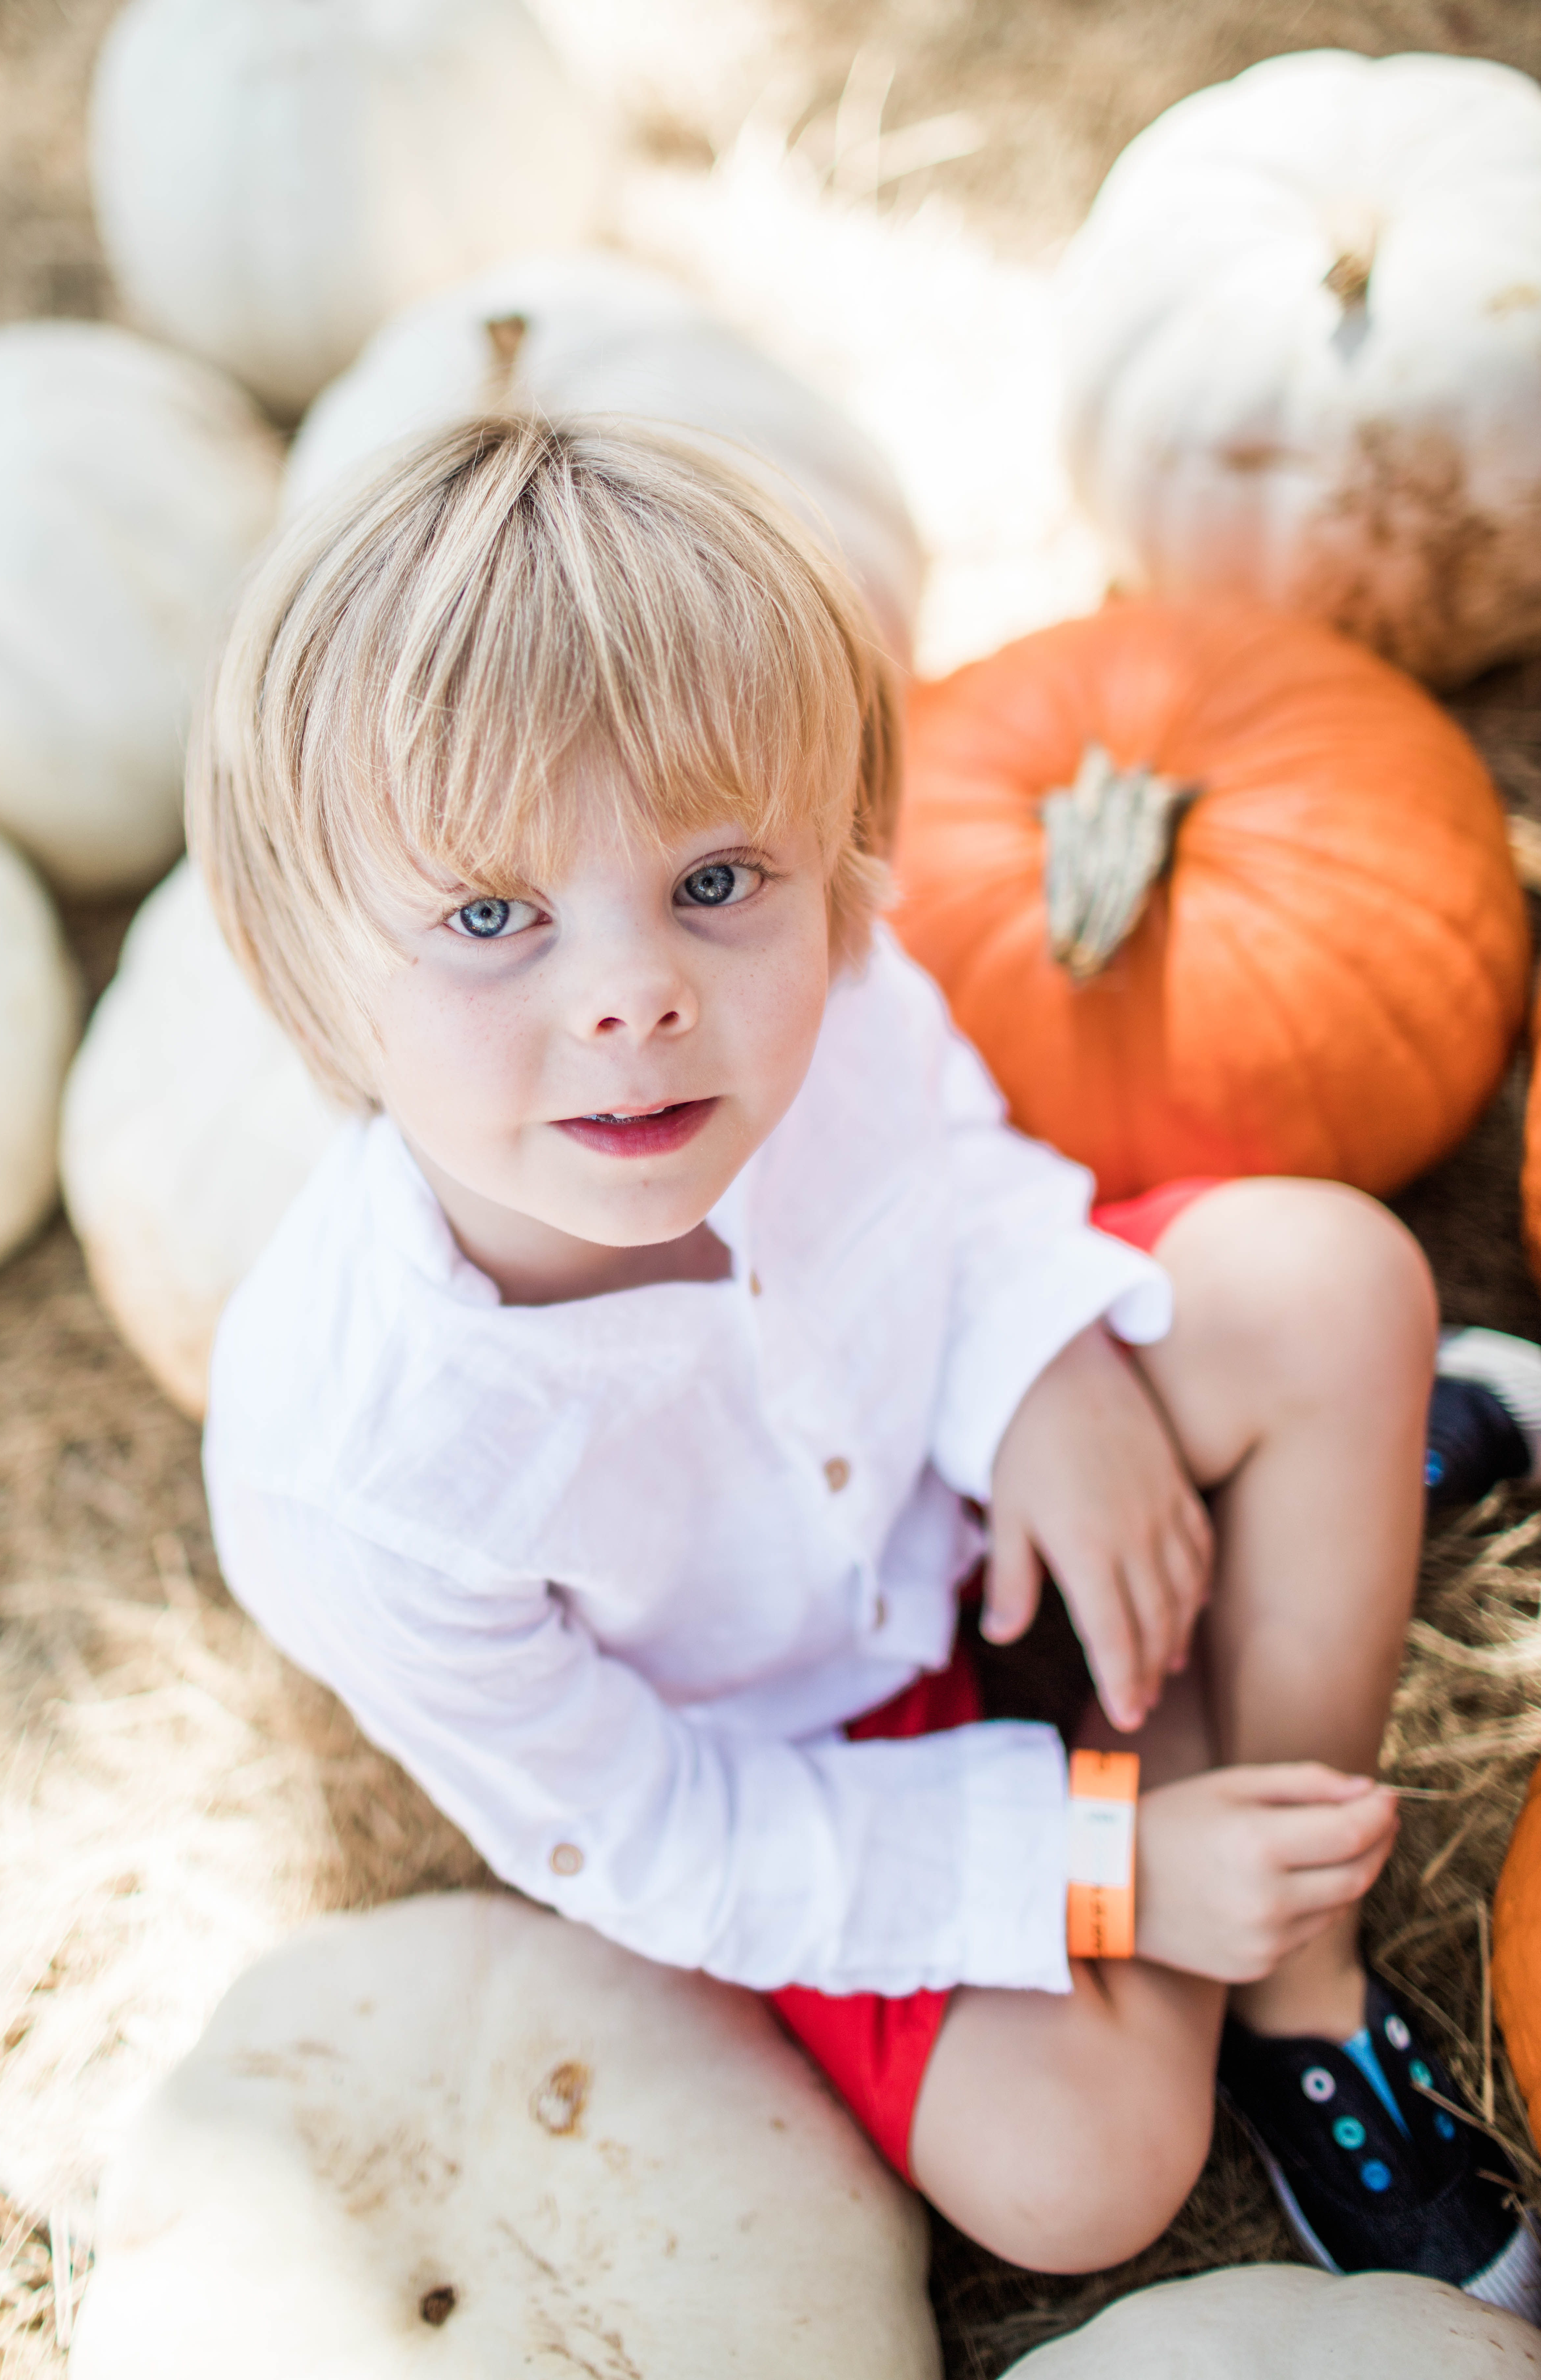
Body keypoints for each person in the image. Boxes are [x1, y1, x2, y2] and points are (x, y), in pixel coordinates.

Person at [194, 413, 1538, 2307]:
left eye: (718, 880)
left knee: (1328, 1282)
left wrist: (1041, 1364)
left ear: (830, 867)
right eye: (494, 917)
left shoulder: (816, 986)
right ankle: (1248, 1641)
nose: (632, 991)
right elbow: (659, 1832)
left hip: (958, 1468)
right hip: (813, 1750)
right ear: (305, 971)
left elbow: (952, 1159)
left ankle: (1301, 1984)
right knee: (1081, 2167)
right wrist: (1109, 1869)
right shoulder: (367, 1473)